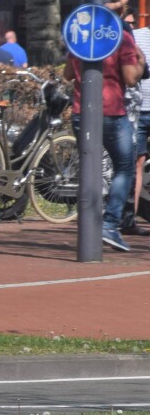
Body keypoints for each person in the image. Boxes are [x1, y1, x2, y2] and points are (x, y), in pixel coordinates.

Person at [62, 25, 143, 251]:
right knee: (125, 167)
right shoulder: (122, 37)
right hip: (111, 113)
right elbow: (130, 77)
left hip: (81, 111)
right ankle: (108, 224)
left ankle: (88, 224)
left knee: (91, 167)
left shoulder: (80, 35)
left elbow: (67, 74)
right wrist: (141, 62)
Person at [126, 13, 150, 236]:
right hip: (140, 110)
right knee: (136, 164)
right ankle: (129, 219)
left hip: (140, 109)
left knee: (136, 164)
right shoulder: (137, 36)